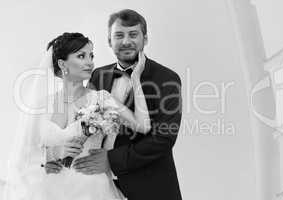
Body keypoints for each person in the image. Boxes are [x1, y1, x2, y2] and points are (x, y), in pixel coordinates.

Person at [3, 32, 151, 200]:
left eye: (91, 55)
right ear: (62, 64)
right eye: (81, 56)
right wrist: (51, 156)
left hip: (91, 189)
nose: (90, 62)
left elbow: (143, 125)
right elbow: (26, 155)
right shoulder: (43, 104)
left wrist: (136, 79)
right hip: (49, 190)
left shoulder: (101, 99)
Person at [78, 9, 183, 200]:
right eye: (119, 35)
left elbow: (164, 138)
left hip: (148, 186)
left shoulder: (167, 78)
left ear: (145, 38)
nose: (126, 41)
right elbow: (82, 124)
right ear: (110, 41)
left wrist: (111, 160)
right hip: (99, 184)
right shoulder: (98, 75)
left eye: (133, 34)